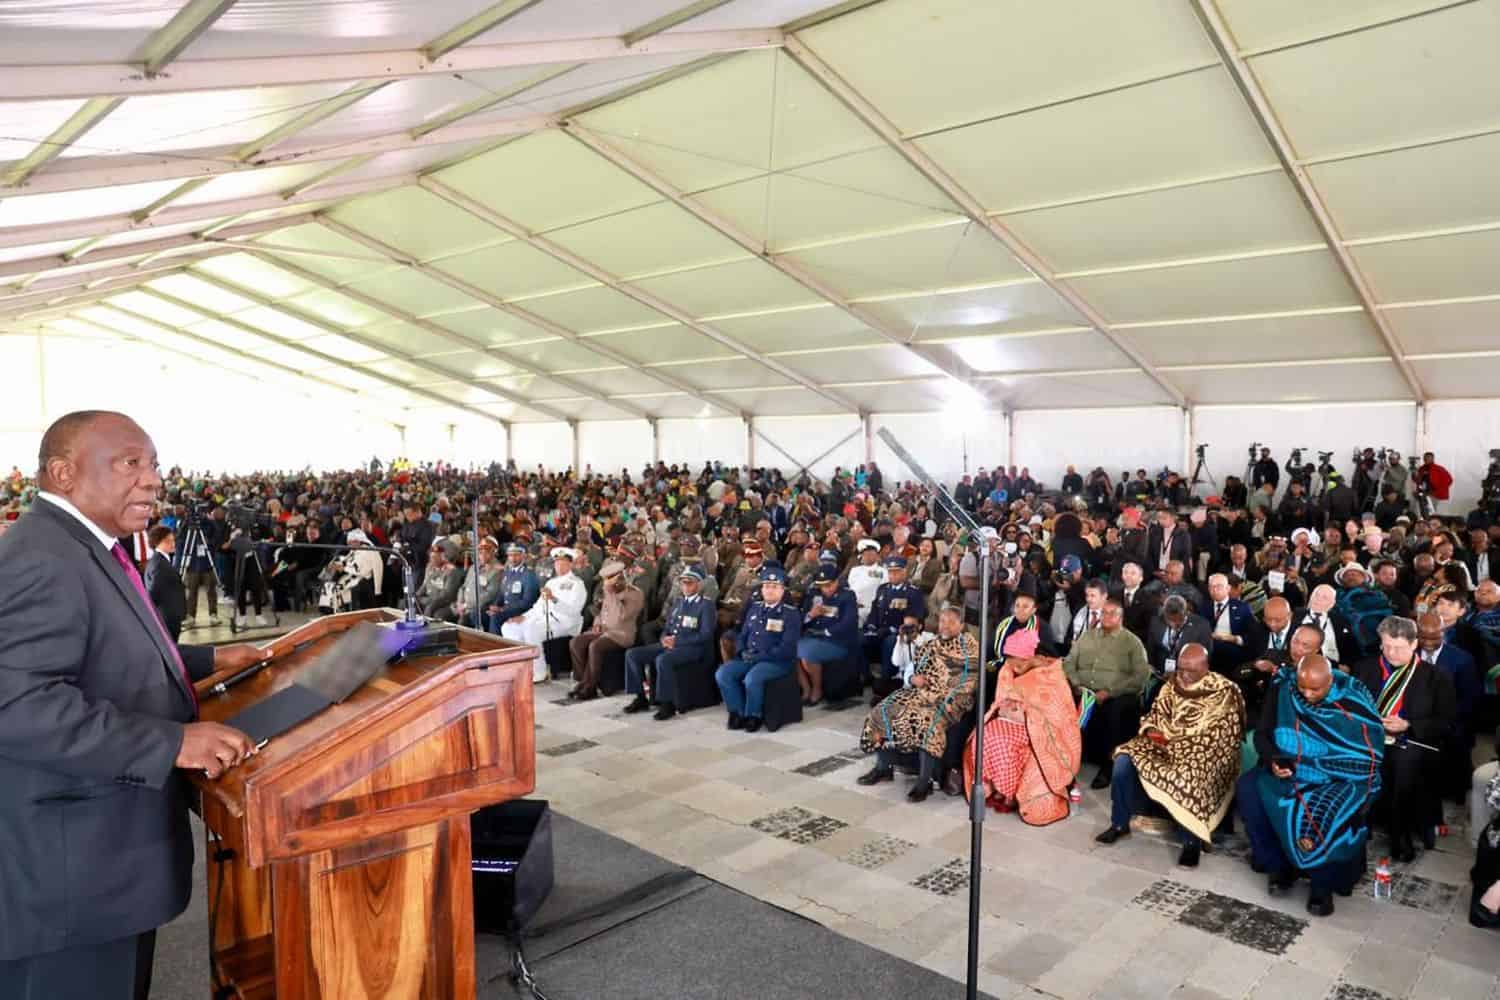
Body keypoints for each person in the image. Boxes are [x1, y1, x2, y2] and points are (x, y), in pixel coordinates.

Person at [0, 411, 262, 998]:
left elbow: (102, 650)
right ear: (64, 473)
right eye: (130, 463)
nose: (153, 479)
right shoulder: (43, 558)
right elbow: (17, 704)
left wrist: (207, 660)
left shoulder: (82, 545)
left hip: (93, 870)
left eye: (154, 464)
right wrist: (172, 742)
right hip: (68, 883)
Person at [1238, 653, 1384, 917]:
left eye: (1315, 689)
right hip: (1290, 766)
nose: (1307, 694)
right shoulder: (1284, 687)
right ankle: (1279, 866)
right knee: (1249, 789)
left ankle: (1321, 885)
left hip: (1342, 776)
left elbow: (1369, 751)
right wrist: (1273, 759)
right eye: (1302, 686)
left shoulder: (1353, 697)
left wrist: (1327, 768)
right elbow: (1263, 734)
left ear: (1331, 680)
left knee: (1328, 807)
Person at [1096, 644, 1246, 867]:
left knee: (1189, 773)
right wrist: (1152, 731)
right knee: (1123, 760)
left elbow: (1224, 734)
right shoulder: (1171, 685)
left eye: (1191, 671)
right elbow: (1155, 715)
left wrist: (1182, 745)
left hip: (1200, 750)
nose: (1184, 675)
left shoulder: (1224, 691)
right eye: (1181, 668)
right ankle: (1119, 823)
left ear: (1206, 667)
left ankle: (1191, 841)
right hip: (1162, 744)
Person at [1354, 615, 1458, 861]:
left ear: (1414, 644)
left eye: (1399, 647)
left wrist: (1409, 725)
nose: (1391, 653)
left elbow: (1446, 722)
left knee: (1404, 764)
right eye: (1386, 646)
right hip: (1368, 738)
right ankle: (1355, 826)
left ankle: (1399, 832)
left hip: (1411, 741)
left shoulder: (1435, 677)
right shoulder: (1365, 669)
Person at [859, 605, 982, 802]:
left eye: (951, 622)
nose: (946, 625)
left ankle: (925, 782)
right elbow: (913, 669)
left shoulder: (969, 648)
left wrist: (937, 694)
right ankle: (883, 768)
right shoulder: (931, 644)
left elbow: (967, 683)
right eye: (943, 621)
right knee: (882, 710)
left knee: (927, 722)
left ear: (961, 625)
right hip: (918, 692)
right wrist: (912, 679)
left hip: (949, 700)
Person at [962, 625, 1081, 824]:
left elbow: (1057, 715)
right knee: (983, 735)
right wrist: (1005, 709)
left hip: (1039, 731)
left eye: (1018, 661)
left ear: (1031, 656)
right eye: (1010, 660)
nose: (1013, 666)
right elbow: (1001, 699)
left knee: (1003, 742)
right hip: (1007, 719)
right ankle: (996, 787)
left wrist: (1025, 715)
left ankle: (1009, 793)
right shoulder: (1009, 669)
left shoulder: (1051, 675)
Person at [1064, 598, 1151, 788]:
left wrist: (1110, 692)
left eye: (1112, 613)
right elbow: (1069, 662)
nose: (1107, 617)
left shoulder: (1131, 642)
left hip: (1115, 694)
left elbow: (1141, 676)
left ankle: (1109, 765)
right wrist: (1076, 683)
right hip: (1083, 690)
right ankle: (1064, 759)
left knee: (1117, 710)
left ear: (1121, 617)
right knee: (1059, 700)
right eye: (1104, 612)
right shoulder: (1087, 636)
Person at [623, 564, 716, 721]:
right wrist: (664, 639)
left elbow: (705, 634)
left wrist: (676, 641)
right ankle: (640, 697)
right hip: (671, 644)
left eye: (690, 582)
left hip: (693, 648)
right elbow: (668, 626)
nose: (685, 586)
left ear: (699, 584)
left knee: (663, 660)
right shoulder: (678, 602)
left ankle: (667, 704)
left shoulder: (706, 605)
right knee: (632, 654)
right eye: (683, 582)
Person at [716, 565, 800, 733]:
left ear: (782, 590)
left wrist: (760, 657)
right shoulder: (755, 608)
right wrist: (741, 651)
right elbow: (743, 634)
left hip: (776, 662)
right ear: (761, 589)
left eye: (774, 587)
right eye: (766, 586)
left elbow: (787, 647)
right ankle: (736, 712)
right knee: (723, 673)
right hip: (750, 657)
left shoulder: (790, 614)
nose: (770, 590)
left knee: (752, 679)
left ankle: (754, 715)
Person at [501, 547, 587, 683]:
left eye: (563, 562)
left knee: (531, 629)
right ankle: (520, 668)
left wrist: (553, 599)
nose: (559, 565)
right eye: (557, 562)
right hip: (543, 619)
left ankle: (539, 672)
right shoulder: (551, 583)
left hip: (564, 623)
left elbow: (574, 610)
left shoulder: (577, 584)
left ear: (570, 564)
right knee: (508, 627)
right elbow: (538, 607)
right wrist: (524, 616)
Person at [567, 559, 644, 701]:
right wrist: (597, 623)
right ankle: (583, 682)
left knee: (595, 646)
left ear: (620, 578)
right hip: (604, 631)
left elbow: (622, 616)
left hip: (621, 634)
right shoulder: (609, 591)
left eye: (611, 580)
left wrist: (611, 594)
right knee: (576, 642)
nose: (607, 584)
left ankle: (590, 688)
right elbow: (602, 612)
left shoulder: (635, 593)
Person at [796, 562, 859, 706]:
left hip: (836, 640)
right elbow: (800, 617)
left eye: (829, 585)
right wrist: (811, 615)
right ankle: (806, 688)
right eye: (823, 586)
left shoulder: (847, 596)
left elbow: (848, 622)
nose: (826, 589)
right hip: (812, 637)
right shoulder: (813, 594)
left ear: (837, 581)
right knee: (790, 651)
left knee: (808, 655)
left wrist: (826, 631)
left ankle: (817, 689)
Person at [864, 555, 927, 692]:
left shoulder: (913, 592)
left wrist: (893, 629)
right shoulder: (883, 589)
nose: (893, 575)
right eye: (890, 572)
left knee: (890, 641)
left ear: (904, 572)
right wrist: (871, 626)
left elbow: (915, 619)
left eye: (897, 572)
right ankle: (866, 676)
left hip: (899, 632)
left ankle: (886, 680)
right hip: (879, 629)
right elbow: (874, 611)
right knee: (861, 639)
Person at [143, 524, 187, 641]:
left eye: (173, 540)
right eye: (168, 541)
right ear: (157, 543)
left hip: (168, 615)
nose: (173, 544)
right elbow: (153, 593)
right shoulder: (159, 564)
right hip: (167, 617)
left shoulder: (160, 560)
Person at [486, 542, 539, 633]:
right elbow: (502, 594)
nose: (513, 558)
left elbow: (528, 602)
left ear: (523, 556)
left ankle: (495, 642)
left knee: (496, 618)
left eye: (516, 555)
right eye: (510, 555)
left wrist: (503, 609)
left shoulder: (528, 575)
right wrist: (495, 606)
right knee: (482, 613)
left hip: (520, 611)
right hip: (506, 609)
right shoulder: (508, 572)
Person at [453, 535, 502, 629]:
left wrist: (466, 605)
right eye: (480, 552)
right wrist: (460, 602)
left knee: (463, 621)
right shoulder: (473, 567)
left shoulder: (497, 570)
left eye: (486, 552)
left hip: (480, 608)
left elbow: (489, 596)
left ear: (494, 552)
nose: (482, 555)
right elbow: (463, 587)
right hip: (462, 606)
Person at [414, 539, 463, 620]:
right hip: (430, 598)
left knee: (430, 607)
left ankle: (426, 627)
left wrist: (426, 600)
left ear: (443, 557)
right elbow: (425, 585)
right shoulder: (430, 567)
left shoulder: (451, 571)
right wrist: (416, 596)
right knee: (409, 602)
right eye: (431, 557)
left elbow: (446, 595)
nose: (432, 560)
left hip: (444, 602)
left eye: (435, 557)